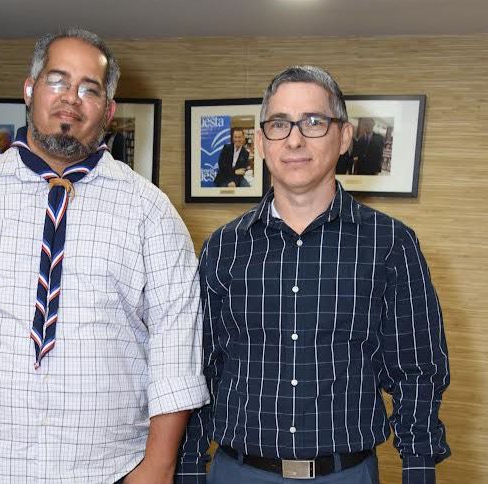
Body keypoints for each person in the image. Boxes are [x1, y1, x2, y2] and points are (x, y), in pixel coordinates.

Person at [0, 28, 209, 484]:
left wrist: (158, 465)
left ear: (108, 110)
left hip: (111, 470)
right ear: (30, 90)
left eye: (89, 89)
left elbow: (177, 346)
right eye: (57, 80)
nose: (70, 98)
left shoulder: (151, 212)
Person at [177, 65, 450, 484]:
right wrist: (189, 467)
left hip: (347, 473)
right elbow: (198, 369)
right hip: (237, 471)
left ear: (344, 136)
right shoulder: (224, 247)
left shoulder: (391, 244)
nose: (295, 139)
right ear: (262, 142)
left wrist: (419, 469)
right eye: (279, 124)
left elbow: (419, 372)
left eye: (314, 122)